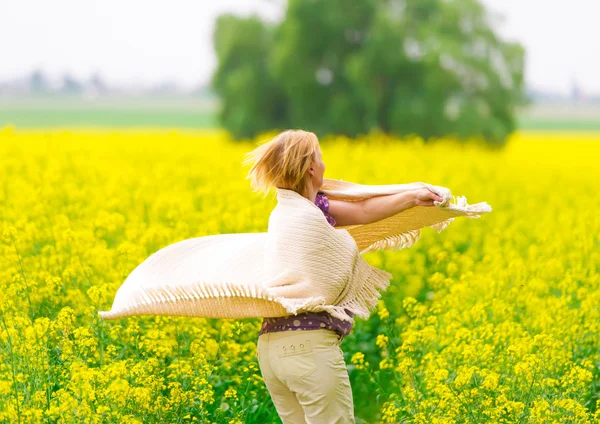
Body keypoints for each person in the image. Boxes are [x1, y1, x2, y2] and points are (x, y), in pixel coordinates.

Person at [243, 129, 443, 424]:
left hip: (270, 350)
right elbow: (342, 249)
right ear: (311, 168)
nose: (324, 165)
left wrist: (413, 196)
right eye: (321, 158)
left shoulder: (290, 211)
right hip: (306, 347)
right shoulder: (308, 217)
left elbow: (362, 211)